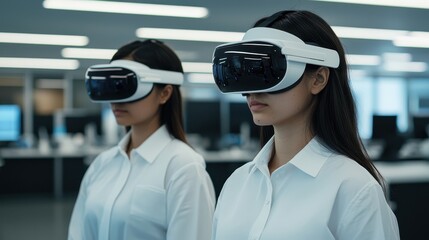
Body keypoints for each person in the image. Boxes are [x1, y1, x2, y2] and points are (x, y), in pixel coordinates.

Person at [211, 10, 400, 240]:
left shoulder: (354, 189)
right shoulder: (237, 184)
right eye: (245, 73)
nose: (253, 91)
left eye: (268, 71)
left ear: (318, 79)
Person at [68, 39, 216, 240]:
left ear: (164, 93)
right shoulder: (102, 164)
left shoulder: (183, 167)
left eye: (126, 86)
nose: (116, 100)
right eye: (111, 86)